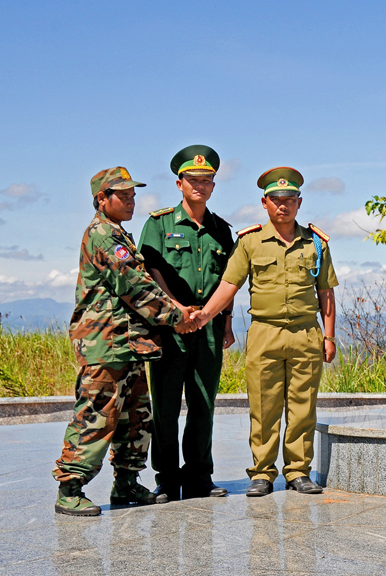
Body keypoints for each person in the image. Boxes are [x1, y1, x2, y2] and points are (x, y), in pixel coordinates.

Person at [53, 167, 194, 516]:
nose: (132, 201)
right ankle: (70, 488)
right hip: (105, 344)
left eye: (133, 195)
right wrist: (178, 318)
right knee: (96, 415)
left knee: (136, 418)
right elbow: (135, 287)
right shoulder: (103, 236)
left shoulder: (119, 235)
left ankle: (126, 482)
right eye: (123, 195)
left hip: (130, 344)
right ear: (102, 199)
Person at [191, 166, 338, 496]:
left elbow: (326, 293)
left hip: (305, 334)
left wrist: (329, 336)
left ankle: (298, 472)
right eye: (275, 200)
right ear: (264, 203)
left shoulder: (315, 243)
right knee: (264, 407)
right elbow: (229, 285)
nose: (282, 206)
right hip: (265, 333)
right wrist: (204, 315)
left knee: (303, 408)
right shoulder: (250, 242)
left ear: (299, 203)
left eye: (289, 200)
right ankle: (262, 473)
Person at [138, 145, 235, 502]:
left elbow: (230, 279)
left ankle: (199, 475)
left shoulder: (222, 229)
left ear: (213, 185)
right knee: (165, 404)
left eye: (206, 180)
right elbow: (151, 270)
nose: (200, 186)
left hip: (207, 326)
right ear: (179, 183)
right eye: (193, 180)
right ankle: (166, 477)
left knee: (203, 402)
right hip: (170, 328)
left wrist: (224, 322)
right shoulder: (158, 223)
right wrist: (176, 310)